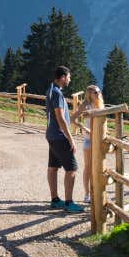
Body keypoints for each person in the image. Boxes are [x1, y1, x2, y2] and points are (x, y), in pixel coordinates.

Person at [45, 66, 84, 213]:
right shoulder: (58, 94)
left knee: (53, 167)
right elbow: (61, 118)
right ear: (62, 77)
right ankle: (69, 203)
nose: (70, 79)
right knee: (72, 169)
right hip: (60, 136)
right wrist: (71, 138)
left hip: (51, 135)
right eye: (68, 77)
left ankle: (55, 200)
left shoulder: (50, 90)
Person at [74, 84, 104, 205]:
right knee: (88, 167)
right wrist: (84, 128)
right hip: (89, 141)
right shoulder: (86, 105)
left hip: (100, 140)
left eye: (99, 92)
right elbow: (73, 119)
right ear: (89, 94)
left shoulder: (101, 104)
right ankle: (87, 194)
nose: (98, 94)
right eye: (95, 92)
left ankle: (96, 193)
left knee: (99, 168)